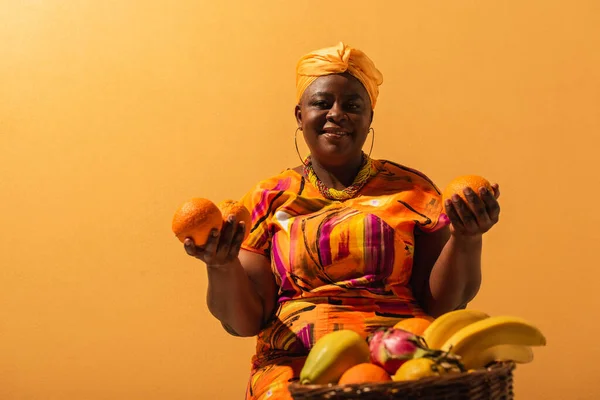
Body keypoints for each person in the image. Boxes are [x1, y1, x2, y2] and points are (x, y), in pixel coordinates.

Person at [183, 42, 501, 400]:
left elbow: (442, 304)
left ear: (369, 118)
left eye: (353, 105)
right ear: (300, 115)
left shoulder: (412, 189)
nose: (337, 114)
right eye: (322, 103)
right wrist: (221, 266)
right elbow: (243, 323)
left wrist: (467, 239)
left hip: (401, 364)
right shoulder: (267, 197)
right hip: (296, 368)